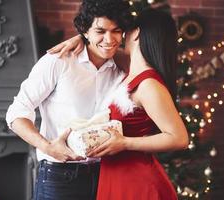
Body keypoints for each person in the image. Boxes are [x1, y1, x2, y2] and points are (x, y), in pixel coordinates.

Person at [48, 8, 189, 200]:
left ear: (137, 33)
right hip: (116, 174)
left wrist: (125, 143)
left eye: (125, 30)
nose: (120, 36)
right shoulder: (132, 70)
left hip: (136, 182)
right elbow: (105, 49)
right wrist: (82, 39)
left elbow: (179, 138)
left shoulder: (149, 85)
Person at [5, 0, 133, 200]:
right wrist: (48, 148)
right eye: (100, 31)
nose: (109, 39)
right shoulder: (58, 61)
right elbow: (16, 113)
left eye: (116, 31)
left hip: (108, 174)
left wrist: (84, 39)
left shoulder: (124, 67)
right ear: (85, 30)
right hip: (60, 175)